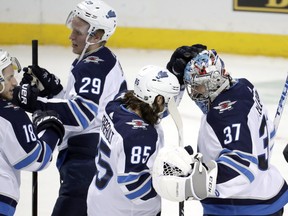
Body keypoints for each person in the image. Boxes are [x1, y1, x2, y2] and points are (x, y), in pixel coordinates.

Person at [14, 0, 127, 215]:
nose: (71, 36)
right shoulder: (101, 58)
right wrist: (54, 90)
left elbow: (82, 115)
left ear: (96, 35)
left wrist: (34, 102)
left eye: (78, 32)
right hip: (96, 156)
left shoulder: (92, 66)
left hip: (86, 159)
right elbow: (90, 106)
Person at [152, 47, 288, 215]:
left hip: (241, 207)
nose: (194, 94)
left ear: (214, 80)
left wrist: (193, 180)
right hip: (266, 192)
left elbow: (243, 169)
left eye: (199, 87)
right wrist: (197, 67)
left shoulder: (224, 115)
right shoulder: (244, 87)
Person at [86, 65, 180, 215]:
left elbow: (151, 108)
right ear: (159, 99)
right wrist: (176, 184)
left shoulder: (116, 104)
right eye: (168, 100)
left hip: (100, 202)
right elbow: (134, 188)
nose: (169, 106)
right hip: (127, 212)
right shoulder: (140, 136)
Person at [0, 49, 64, 216]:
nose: (15, 82)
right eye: (9, 78)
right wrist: (51, 128)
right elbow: (35, 158)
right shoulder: (9, 115)